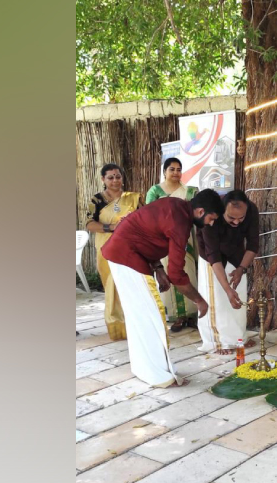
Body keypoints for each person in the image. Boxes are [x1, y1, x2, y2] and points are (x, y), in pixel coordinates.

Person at [101, 189, 224, 388]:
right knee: (151, 317)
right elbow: (176, 274)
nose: (211, 224)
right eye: (212, 219)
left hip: (124, 254)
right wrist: (199, 300)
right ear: (201, 211)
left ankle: (145, 369)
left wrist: (158, 268)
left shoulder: (175, 205)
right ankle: (158, 375)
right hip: (127, 257)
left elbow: (147, 234)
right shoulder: (180, 222)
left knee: (140, 316)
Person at [195, 190, 259, 354]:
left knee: (239, 296)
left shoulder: (251, 209)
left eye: (241, 218)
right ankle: (216, 342)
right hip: (211, 256)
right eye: (231, 218)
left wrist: (241, 269)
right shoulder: (211, 215)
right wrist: (227, 289)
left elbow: (253, 244)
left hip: (236, 253)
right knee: (216, 296)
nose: (236, 222)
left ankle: (238, 338)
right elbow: (213, 255)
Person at [84, 163, 143, 341]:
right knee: (112, 285)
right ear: (103, 179)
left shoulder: (133, 198)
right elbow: (89, 224)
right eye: (110, 177)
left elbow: (144, 220)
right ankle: (117, 326)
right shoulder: (97, 200)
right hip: (106, 249)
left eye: (118, 176)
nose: (115, 180)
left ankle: (135, 324)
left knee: (131, 285)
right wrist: (112, 227)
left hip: (129, 249)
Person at [146, 157, 200, 332]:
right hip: (164, 239)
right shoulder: (155, 191)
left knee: (188, 271)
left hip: (185, 239)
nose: (176, 173)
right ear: (164, 171)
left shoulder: (190, 192)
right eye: (172, 169)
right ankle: (176, 316)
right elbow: (150, 215)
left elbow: (197, 214)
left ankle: (191, 314)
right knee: (169, 273)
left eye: (178, 169)